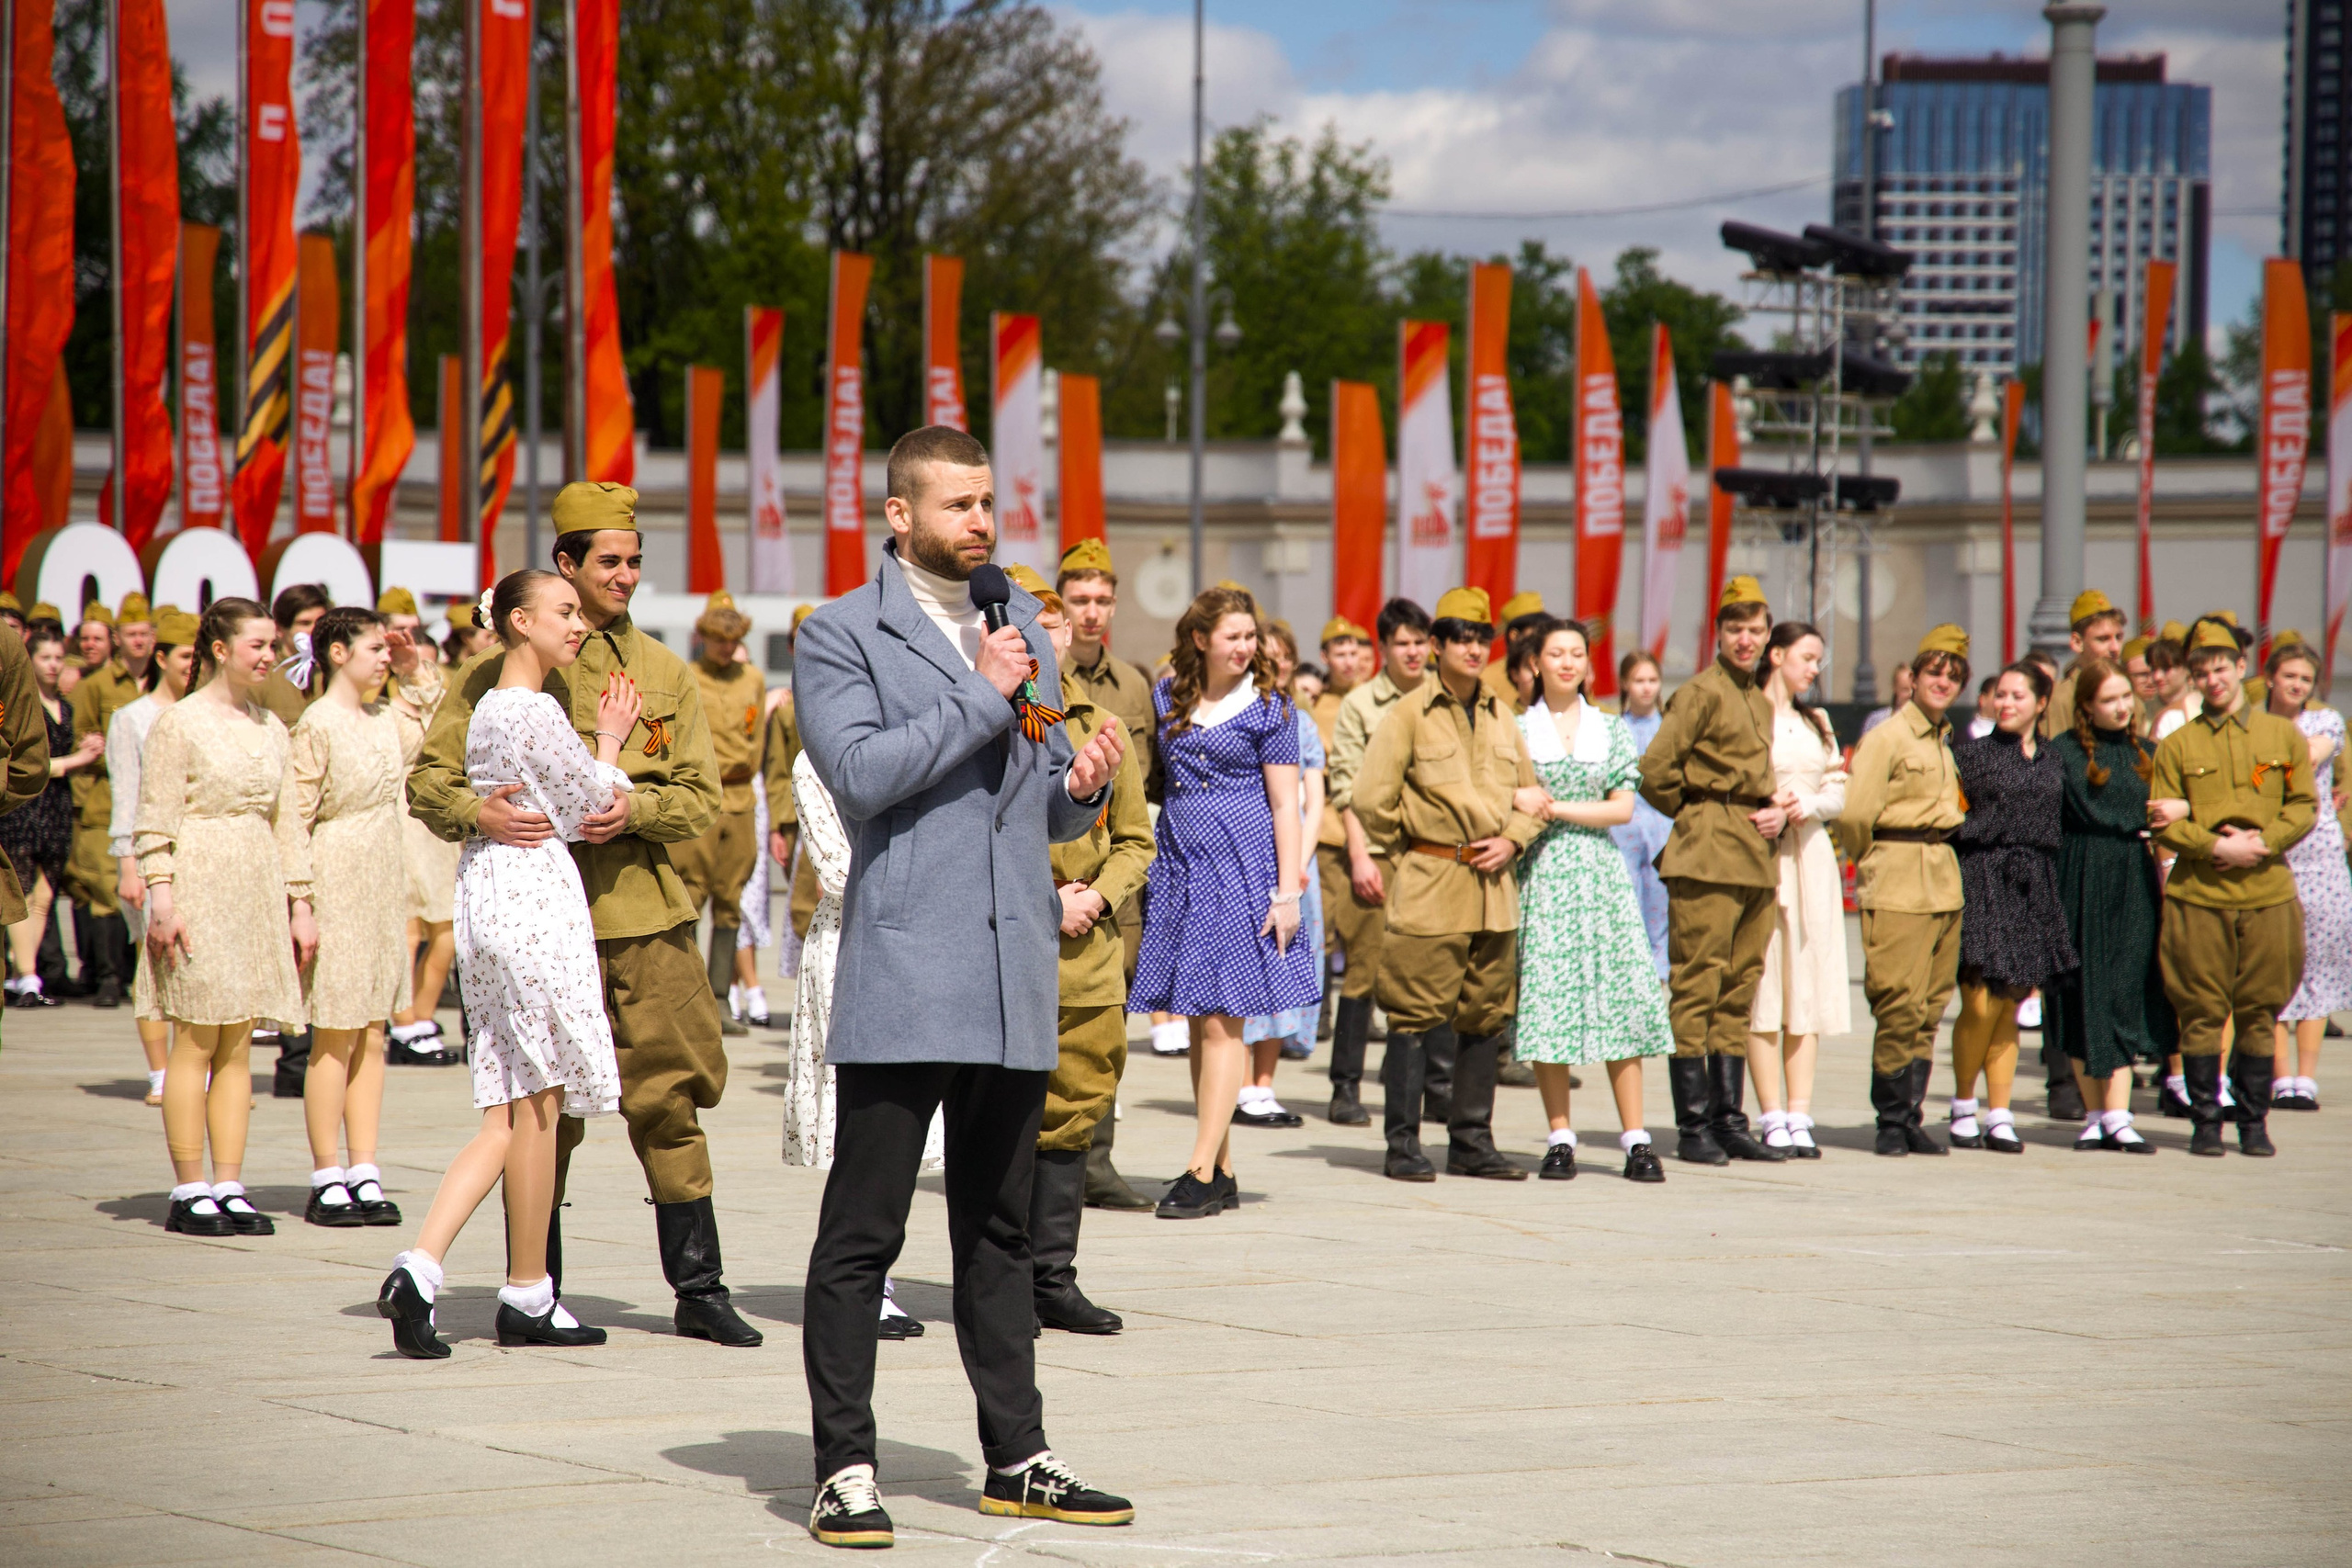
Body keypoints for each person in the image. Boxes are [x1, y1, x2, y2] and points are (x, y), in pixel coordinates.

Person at [792, 425, 1133, 1549]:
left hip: (1009, 973)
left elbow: (1027, 802)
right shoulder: (841, 634)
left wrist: (1078, 788)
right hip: (905, 968)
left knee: (999, 1233)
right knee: (864, 1234)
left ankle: (1016, 1456)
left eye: (988, 503)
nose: (981, 524)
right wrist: (986, 696)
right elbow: (864, 777)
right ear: (899, 515)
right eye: (957, 506)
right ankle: (844, 1466)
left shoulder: (1017, 624)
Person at [409, 483, 761, 1348]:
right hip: (540, 919)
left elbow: (699, 796)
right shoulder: (498, 671)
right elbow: (428, 778)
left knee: (669, 1101)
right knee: (542, 1111)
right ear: (563, 566)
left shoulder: (665, 671)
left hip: (642, 915)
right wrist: (479, 813)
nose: (627, 576)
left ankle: (700, 1286)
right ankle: (536, 1284)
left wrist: (631, 812)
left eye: (636, 561)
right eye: (610, 561)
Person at [374, 570, 639, 1358]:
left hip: (490, 892)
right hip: (531, 899)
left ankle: (527, 1288)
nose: (579, 624)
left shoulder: (489, 706)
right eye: (564, 612)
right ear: (520, 622)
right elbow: (593, 807)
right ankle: (421, 1268)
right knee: (526, 1103)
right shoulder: (531, 708)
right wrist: (614, 738)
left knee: (524, 1100)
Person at [1131, 584, 1316, 1215]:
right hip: (1182, 864)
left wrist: (1287, 890)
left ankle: (1200, 1167)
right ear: (1201, 639)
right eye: (1232, 636)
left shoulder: (1272, 708)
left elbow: (1286, 805)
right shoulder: (1167, 695)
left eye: (1250, 636)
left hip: (1243, 868)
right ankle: (1224, 1167)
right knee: (1194, 1011)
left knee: (1221, 1019)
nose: (1245, 647)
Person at [1352, 586, 1544, 1182]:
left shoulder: (1502, 714)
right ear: (1435, 646)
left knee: (1485, 1016)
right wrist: (1416, 842)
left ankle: (1471, 1141)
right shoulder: (1407, 715)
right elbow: (1368, 799)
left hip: (1495, 889)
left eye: (1482, 637)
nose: (1473, 646)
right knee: (1412, 1016)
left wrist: (1513, 837)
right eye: (1460, 636)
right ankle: (1403, 1143)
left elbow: (1533, 798)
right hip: (1433, 881)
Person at [134, 600, 305, 1237]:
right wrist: (162, 892)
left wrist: (300, 900)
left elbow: (288, 820)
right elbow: (155, 813)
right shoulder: (180, 722)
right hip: (199, 872)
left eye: (274, 644)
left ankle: (229, 1181)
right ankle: (188, 1185)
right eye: (257, 644)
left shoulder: (271, 724)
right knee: (198, 1033)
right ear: (220, 647)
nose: (268, 655)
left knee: (238, 1038)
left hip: (256, 880)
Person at [1020, 569, 1152, 1334]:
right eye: (1033, 625)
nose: (1049, 638)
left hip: (1088, 953)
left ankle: (1052, 1278)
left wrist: (1098, 895)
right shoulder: (986, 721)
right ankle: (1003, 1277)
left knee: (1074, 1114)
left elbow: (1135, 838)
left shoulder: (1102, 722)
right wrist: (1046, 902)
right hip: (1010, 943)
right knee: (1004, 1119)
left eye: (1057, 624)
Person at [783, 742, 938, 1340]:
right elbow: (839, 871)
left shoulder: (908, 740)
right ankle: (859, 1282)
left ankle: (873, 1277)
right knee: (857, 1122)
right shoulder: (814, 759)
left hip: (912, 942)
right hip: (853, 942)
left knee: (894, 1125)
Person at [1510, 617, 1672, 1181]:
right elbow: (1508, 793)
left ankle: (1636, 1137)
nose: (1566, 662)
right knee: (1549, 1000)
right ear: (1536, 663)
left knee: (1620, 999)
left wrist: (1552, 807)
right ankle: (1560, 1136)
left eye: (1576, 653)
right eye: (1555, 653)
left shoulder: (1610, 727)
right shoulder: (1519, 728)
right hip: (1544, 872)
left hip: (1600, 873)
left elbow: (1621, 808)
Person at [2151, 616, 2315, 1157]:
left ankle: (2253, 1122)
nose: (2211, 678)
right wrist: (2217, 845)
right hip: (2200, 896)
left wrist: (2261, 843)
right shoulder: (2177, 745)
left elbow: (2304, 806)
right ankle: (2205, 1121)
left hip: (2267, 893)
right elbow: (2163, 821)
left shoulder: (2281, 735)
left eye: (2220, 667)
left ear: (2241, 668)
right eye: (2201, 671)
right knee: (2200, 1011)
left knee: (2259, 1010)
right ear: (2193, 679)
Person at [1636, 575, 1786, 1165]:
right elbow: (1654, 771)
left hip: (1753, 851)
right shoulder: (1700, 692)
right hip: (1708, 848)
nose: (1745, 640)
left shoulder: (1758, 696)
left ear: (1768, 636)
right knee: (1697, 982)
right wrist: (1699, 814)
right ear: (1717, 633)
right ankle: (1693, 1126)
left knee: (1739, 984)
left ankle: (1729, 1121)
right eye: (1734, 629)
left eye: (1755, 630)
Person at [278, 608, 419, 1228]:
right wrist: (301, 901)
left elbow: (432, 727)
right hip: (336, 875)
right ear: (336, 652)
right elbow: (294, 816)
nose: (384, 656)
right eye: (373, 647)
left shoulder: (385, 718)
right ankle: (326, 1173)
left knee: (373, 1030)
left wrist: (415, 670)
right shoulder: (317, 723)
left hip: (384, 882)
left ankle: (365, 1167)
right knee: (333, 1031)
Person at [1052, 538, 1156, 1208]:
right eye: (1077, 601)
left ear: (1114, 605)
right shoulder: (1034, 684)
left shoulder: (1133, 686)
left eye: (1100, 601)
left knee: (1104, 1026)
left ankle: (1098, 1159)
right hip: (1052, 881)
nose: (1090, 613)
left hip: (1114, 886)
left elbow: (1151, 786)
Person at [1842, 626, 1970, 1156]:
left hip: (1943, 879)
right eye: (1934, 672)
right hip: (1896, 875)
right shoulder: (1888, 737)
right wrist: (1874, 858)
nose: (1943, 682)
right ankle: (1891, 1120)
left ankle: (1911, 1114)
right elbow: (1854, 816)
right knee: (1898, 1002)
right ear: (1912, 678)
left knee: (1931, 1007)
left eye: (1953, 675)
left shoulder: (1943, 738)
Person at [1947, 661, 2079, 1154]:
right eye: (2000, 694)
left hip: (2033, 883)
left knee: (2011, 1005)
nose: (2005, 703)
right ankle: (1964, 1104)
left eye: (2017, 696)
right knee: (1979, 1001)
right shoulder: (1970, 756)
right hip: (1981, 877)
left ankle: (1999, 1113)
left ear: (2041, 703)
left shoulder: (2054, 760)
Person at [2046, 657, 2175, 1152]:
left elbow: (2168, 813)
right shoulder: (2062, 753)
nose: (2122, 707)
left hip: (2131, 872)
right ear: (2086, 707)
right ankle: (2095, 1113)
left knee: (2123, 988)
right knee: (2081, 994)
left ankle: (2120, 1114)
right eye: (2108, 700)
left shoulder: (2150, 752)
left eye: (2126, 696)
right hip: (2077, 872)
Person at [1321, 597, 1432, 1124]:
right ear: (1383, 649)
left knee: (1421, 975)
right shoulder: (1362, 703)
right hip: (1377, 854)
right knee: (1363, 971)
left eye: (1419, 642)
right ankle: (1345, 1086)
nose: (1412, 652)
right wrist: (1361, 857)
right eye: (1401, 643)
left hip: (1433, 858)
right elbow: (1344, 787)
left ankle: (1413, 1082)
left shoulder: (1442, 697)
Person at [1746, 623, 1849, 1158]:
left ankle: (1801, 1111)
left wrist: (1806, 805)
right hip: (1762, 855)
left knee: (1806, 980)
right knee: (1766, 984)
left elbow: (1838, 789)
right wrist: (1768, 803)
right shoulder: (1749, 710)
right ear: (1776, 654)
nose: (1814, 669)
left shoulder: (1818, 721)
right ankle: (1770, 1113)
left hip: (1809, 854)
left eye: (1819, 660)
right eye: (1807, 657)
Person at [107, 608, 199, 1100]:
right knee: (153, 963)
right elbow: (127, 794)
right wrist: (128, 863)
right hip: (148, 856)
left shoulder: (204, 713)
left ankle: (195, 1068)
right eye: (184, 655)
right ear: (160, 658)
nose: (192, 664)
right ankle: (161, 1072)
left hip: (200, 855)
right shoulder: (131, 719)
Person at [1237, 617, 1325, 1124]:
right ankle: (1237, 1080)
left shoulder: (1300, 720)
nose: (1280, 663)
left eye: (1286, 654)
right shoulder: (1238, 711)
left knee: (1280, 963)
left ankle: (1264, 1084)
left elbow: (1313, 801)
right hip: (1247, 857)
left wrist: (1298, 864)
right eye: (1270, 654)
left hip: (1293, 867)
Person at [671, 591, 764, 1040]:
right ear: (703, 637)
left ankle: (721, 998)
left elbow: (759, 739)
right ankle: (681, 999)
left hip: (742, 800)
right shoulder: (687, 678)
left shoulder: (754, 679)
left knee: (731, 901)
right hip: (700, 797)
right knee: (690, 898)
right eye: (718, 639)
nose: (726, 648)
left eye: (734, 640)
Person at [379, 587, 465, 1068]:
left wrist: (415, 669)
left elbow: (444, 714)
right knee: (405, 931)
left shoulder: (426, 684)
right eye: (393, 629)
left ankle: (423, 1019)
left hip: (430, 818)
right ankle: (403, 1021)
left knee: (446, 929)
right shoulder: (370, 696)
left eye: (411, 630)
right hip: (390, 816)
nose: (401, 639)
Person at [2263, 641, 2349, 1111]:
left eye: (2305, 679)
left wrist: (2258, 749)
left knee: (2319, 963)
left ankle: (2306, 1076)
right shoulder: (2253, 724)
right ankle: (2279, 1077)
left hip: (2320, 854)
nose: (2297, 685)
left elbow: (2306, 757)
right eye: (2289, 675)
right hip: (2271, 851)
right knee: (2273, 965)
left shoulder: (2326, 721)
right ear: (2270, 677)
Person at [3, 624, 104, 1009]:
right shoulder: (20, 704)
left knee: (44, 895)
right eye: (45, 657)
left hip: (57, 806)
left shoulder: (68, 706)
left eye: (59, 658)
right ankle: (28, 976)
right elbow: (27, 762)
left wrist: (87, 747)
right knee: (22, 893)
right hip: (26, 806)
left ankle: (20, 974)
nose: (52, 665)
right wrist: (78, 760)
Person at [67, 594, 153, 1010]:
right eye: (131, 634)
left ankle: (140, 976)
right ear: (117, 639)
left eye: (144, 634)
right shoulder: (96, 685)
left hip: (155, 804)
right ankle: (107, 977)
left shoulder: (164, 683)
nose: (138, 642)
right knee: (107, 894)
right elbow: (83, 737)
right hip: (108, 802)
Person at [1611, 651, 1671, 984]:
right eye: (1639, 680)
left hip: (1663, 826)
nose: (1646, 688)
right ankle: (1629, 975)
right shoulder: (1614, 729)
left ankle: (1660, 972)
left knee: (1660, 902)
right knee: (1627, 901)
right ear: (1625, 684)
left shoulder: (1669, 729)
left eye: (1652, 680)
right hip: (1624, 828)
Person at [2042, 589, 2132, 739]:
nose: (2115, 648)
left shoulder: (2131, 698)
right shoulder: (2058, 700)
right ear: (2077, 642)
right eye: (2103, 639)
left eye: (2119, 637)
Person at [1860, 662, 1915, 738]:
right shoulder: (1878, 720)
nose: (1910, 694)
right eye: (1905, 689)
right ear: (1895, 688)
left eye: (1914, 689)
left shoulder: (1925, 722)